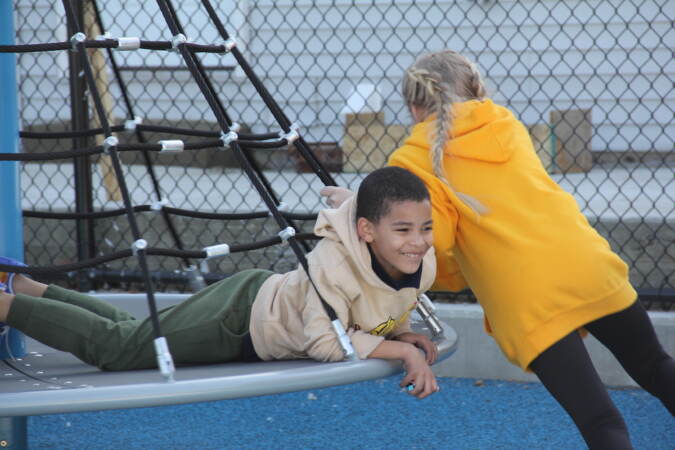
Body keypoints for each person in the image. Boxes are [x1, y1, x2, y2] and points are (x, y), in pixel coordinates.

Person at [321, 50, 674, 448]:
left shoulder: (412, 160)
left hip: (529, 300)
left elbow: (430, 245)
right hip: (592, 268)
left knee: (601, 420)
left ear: (414, 109)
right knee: (657, 366)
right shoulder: (506, 124)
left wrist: (358, 207)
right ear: (474, 90)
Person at [0, 167, 441, 398]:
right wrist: (401, 349)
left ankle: (21, 286)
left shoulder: (423, 262)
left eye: (425, 228)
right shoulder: (332, 265)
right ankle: (4, 303)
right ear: (367, 231)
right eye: (402, 231)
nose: (417, 242)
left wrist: (400, 330)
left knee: (133, 335)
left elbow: (383, 304)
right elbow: (325, 344)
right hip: (238, 320)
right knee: (118, 351)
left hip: (253, 305)